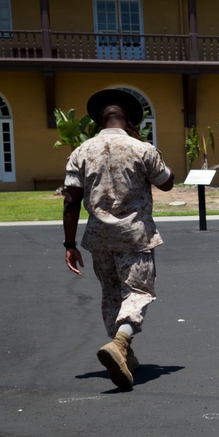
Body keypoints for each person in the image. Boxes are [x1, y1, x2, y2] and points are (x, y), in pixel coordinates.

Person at [63, 88, 175, 391]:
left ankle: (127, 358)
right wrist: (141, 143)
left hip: (99, 239)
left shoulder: (81, 151)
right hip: (135, 237)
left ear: (100, 119)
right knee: (137, 293)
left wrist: (69, 244)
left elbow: (71, 201)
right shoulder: (141, 148)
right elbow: (167, 182)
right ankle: (121, 342)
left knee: (112, 296)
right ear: (129, 119)